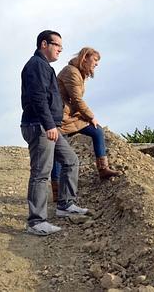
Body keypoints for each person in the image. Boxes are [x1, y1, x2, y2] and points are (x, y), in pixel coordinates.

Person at [20, 30, 89, 236]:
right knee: (41, 173)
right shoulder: (36, 65)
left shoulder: (45, 67)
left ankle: (65, 204)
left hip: (48, 125)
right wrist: (50, 125)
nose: (60, 49)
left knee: (70, 160)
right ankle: (36, 222)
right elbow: (38, 98)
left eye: (61, 46)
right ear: (44, 44)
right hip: (39, 125)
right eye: (57, 45)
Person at [49, 47, 119, 201]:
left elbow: (74, 100)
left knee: (97, 131)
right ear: (85, 58)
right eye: (95, 60)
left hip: (70, 115)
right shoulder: (71, 72)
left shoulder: (79, 73)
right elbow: (77, 99)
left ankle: (103, 168)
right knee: (58, 154)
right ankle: (57, 192)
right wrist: (91, 116)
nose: (96, 65)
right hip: (61, 117)